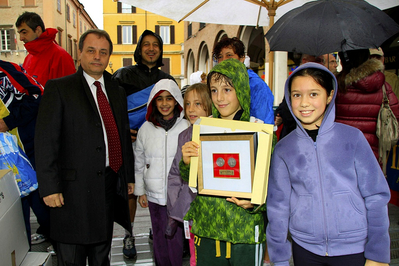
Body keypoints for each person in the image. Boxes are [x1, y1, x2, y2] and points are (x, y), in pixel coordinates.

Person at [266, 62, 391, 266]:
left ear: (330, 95)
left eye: (313, 94)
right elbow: (277, 207)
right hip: (305, 248)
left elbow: (376, 196)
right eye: (297, 95)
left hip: (353, 247)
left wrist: (377, 253)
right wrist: (279, 258)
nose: (304, 102)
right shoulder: (284, 149)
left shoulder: (353, 138)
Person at [34, 29, 135, 265]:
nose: (97, 56)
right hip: (70, 194)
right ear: (79, 52)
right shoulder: (59, 88)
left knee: (102, 257)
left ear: (110, 56)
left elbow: (121, 135)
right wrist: (49, 187)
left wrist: (127, 176)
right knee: (72, 258)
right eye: (91, 50)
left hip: (107, 187)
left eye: (103, 52)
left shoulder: (116, 90)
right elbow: (45, 141)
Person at [181, 59, 266, 266]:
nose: (219, 98)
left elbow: (272, 186)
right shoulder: (202, 127)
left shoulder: (259, 130)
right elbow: (194, 181)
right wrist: (187, 163)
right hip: (208, 230)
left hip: (244, 233)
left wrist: (256, 203)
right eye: (214, 90)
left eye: (227, 89)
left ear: (242, 90)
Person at [112, 30, 175, 258]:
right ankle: (129, 234)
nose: (151, 48)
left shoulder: (167, 80)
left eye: (155, 45)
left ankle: (156, 228)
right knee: (130, 190)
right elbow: (111, 110)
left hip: (158, 144)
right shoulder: (122, 75)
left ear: (160, 50)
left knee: (161, 187)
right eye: (146, 44)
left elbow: (175, 112)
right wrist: (122, 131)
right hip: (128, 144)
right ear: (139, 49)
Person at [134, 79, 189, 266]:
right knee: (158, 235)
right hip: (154, 195)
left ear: (176, 101)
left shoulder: (186, 127)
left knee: (175, 238)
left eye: (169, 98)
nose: (165, 104)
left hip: (178, 195)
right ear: (153, 103)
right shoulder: (145, 129)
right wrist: (140, 190)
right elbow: (139, 162)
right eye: (160, 99)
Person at [0, 60, 47, 247]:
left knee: (40, 206)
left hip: (25, 152)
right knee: (14, 218)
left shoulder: (6, 70)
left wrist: (8, 121)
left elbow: (37, 94)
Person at [166, 83, 213, 266]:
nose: (191, 109)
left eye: (198, 104)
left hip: (213, 211)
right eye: (187, 104)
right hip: (191, 210)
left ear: (209, 105)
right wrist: (175, 205)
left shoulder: (219, 133)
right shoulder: (184, 136)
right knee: (195, 256)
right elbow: (175, 174)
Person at [335, 49, 399, 161]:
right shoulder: (384, 86)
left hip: (340, 150)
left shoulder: (335, 86)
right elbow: (396, 117)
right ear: (367, 59)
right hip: (373, 153)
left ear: (342, 61)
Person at [213, 37, 274, 124]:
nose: (223, 60)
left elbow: (264, 122)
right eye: (220, 57)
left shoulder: (255, 85)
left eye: (229, 55)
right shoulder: (217, 82)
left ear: (242, 58)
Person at [16, 12, 75, 87]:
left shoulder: (60, 56)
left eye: (24, 32)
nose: (21, 38)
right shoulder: (29, 57)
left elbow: (69, 91)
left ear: (38, 30)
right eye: (19, 33)